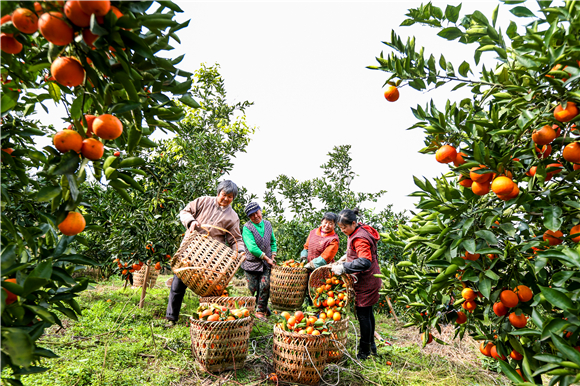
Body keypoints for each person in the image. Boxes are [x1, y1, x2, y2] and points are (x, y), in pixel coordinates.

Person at [165, 180, 244, 326]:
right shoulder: (203, 201)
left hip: (211, 257)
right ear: (218, 192)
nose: (226, 199)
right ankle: (171, 318)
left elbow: (236, 239)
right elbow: (185, 211)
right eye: (224, 195)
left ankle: (208, 320)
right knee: (179, 282)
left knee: (210, 288)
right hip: (191, 249)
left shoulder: (233, 216)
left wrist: (240, 252)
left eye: (230, 197)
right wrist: (191, 222)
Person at [331, 209, 382, 360]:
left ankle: (364, 352)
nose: (342, 231)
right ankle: (371, 347)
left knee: (363, 316)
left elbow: (365, 261)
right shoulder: (358, 230)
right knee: (368, 313)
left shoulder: (359, 237)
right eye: (340, 228)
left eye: (344, 227)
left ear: (353, 223)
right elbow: (357, 253)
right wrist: (346, 257)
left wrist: (344, 268)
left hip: (366, 281)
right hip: (371, 278)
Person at [241, 202, 277, 319]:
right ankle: (257, 306)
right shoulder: (247, 228)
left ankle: (260, 311)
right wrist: (266, 257)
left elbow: (272, 242)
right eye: (252, 215)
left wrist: (272, 257)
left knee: (265, 285)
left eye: (257, 213)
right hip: (251, 264)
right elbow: (252, 248)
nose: (255, 216)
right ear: (249, 217)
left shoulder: (268, 224)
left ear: (260, 211)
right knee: (253, 288)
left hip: (266, 264)